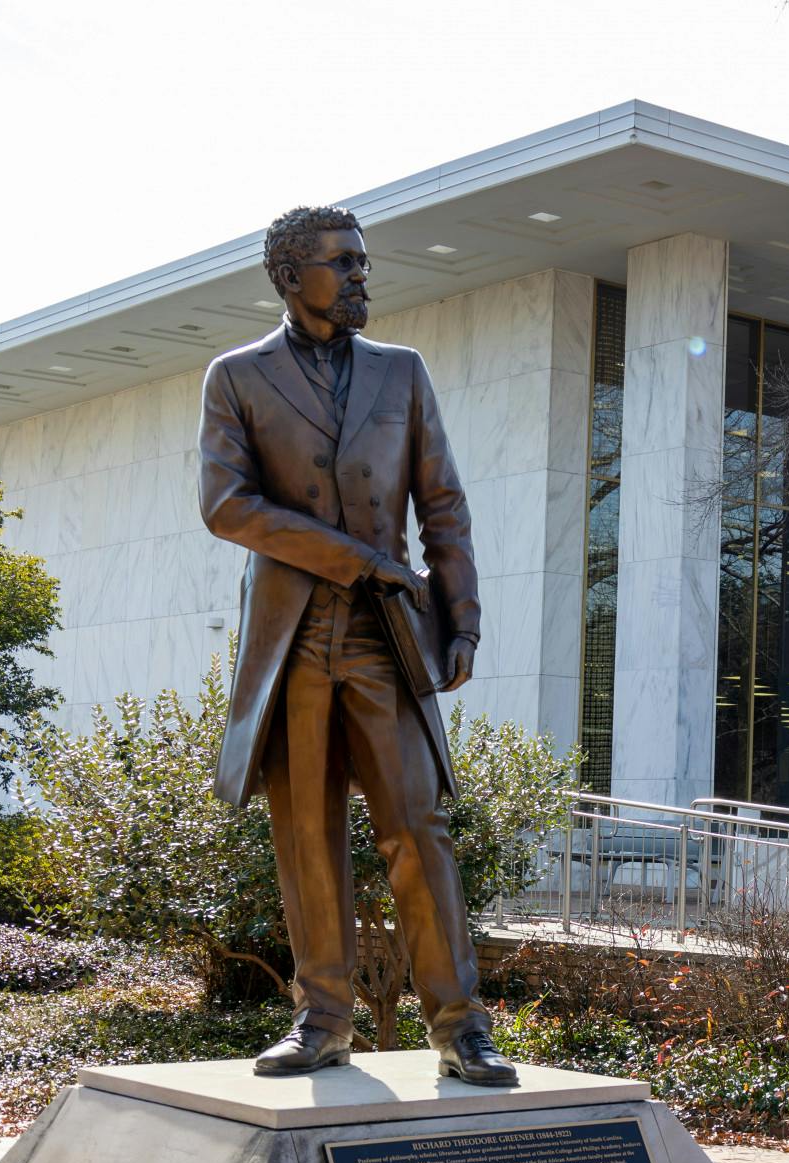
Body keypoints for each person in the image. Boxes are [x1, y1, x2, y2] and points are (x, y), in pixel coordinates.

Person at [197, 205, 515, 1084]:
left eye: (363, 261)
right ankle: (322, 1018)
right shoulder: (237, 377)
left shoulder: (401, 372)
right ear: (289, 275)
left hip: (385, 634)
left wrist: (462, 618)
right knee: (307, 832)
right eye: (342, 262)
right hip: (293, 637)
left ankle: (461, 1025)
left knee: (417, 824)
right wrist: (358, 559)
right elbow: (226, 505)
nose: (360, 275)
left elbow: (442, 503)